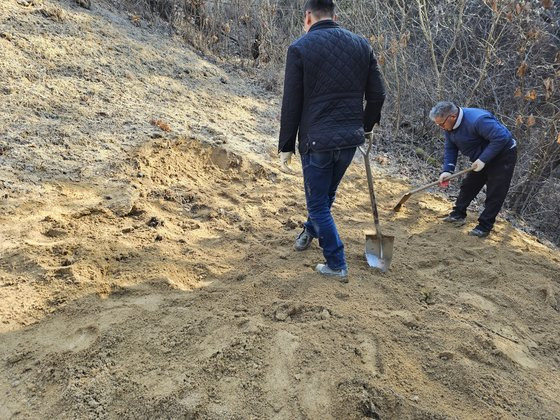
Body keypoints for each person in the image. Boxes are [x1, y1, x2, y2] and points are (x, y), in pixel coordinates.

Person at [278, 0, 385, 278]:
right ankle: (310, 231)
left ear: (308, 17)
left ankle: (336, 263)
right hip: (350, 140)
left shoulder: (300, 48)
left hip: (317, 142)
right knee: (326, 195)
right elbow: (378, 94)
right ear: (335, 16)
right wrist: (365, 126)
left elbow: (292, 102)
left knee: (317, 203)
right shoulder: (362, 45)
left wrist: (286, 145)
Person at [430, 101, 517, 238]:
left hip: (503, 155)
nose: (441, 127)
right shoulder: (448, 127)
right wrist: (447, 170)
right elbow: (450, 148)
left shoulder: (478, 120)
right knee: (469, 186)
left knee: (495, 193)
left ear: (452, 117)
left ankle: (484, 226)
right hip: (481, 157)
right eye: (438, 124)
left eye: (441, 124)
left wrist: (483, 159)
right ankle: (458, 214)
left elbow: (501, 138)